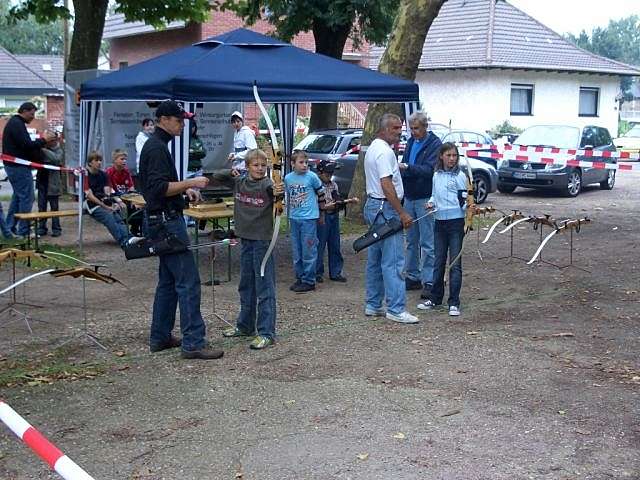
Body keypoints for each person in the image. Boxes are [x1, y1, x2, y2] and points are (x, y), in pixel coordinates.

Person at [139, 100, 223, 360]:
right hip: (166, 222)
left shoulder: (158, 146)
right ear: (163, 119)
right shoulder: (156, 148)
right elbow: (157, 189)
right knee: (188, 282)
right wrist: (191, 181)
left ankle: (160, 336)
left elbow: (162, 187)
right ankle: (194, 342)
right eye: (178, 120)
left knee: (168, 282)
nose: (182, 124)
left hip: (162, 217)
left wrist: (184, 191)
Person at [211, 149, 284, 350]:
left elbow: (277, 194)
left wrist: (279, 191)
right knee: (246, 285)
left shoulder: (267, 184)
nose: (260, 169)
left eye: (263, 165)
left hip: (262, 242)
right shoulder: (240, 182)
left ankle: (267, 332)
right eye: (255, 165)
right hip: (245, 239)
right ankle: (245, 325)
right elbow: (216, 176)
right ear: (247, 166)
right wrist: (232, 171)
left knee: (264, 287)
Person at [363, 113, 418, 324]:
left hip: (375, 206)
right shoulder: (385, 153)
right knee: (394, 260)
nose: (399, 132)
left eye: (400, 128)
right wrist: (402, 212)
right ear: (384, 129)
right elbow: (387, 185)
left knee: (375, 258)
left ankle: (374, 303)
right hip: (385, 208)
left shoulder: (374, 148)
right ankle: (396, 308)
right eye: (395, 128)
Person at [417, 143, 468, 317]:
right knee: (438, 261)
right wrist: (431, 203)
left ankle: (454, 302)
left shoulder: (460, 176)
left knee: (454, 264)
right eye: (448, 155)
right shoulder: (436, 175)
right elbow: (434, 195)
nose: (452, 159)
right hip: (439, 223)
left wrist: (469, 209)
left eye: (454, 155)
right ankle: (435, 297)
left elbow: (465, 199)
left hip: (455, 223)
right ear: (441, 156)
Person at [399, 111, 442, 299]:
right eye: (411, 129)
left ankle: (430, 280)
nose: (413, 132)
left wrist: (408, 169)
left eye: (416, 128)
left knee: (428, 242)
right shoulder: (410, 142)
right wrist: (407, 170)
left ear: (425, 126)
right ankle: (413, 275)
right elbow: (406, 163)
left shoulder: (435, 144)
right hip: (410, 195)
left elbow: (428, 170)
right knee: (411, 240)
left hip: (425, 197)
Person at [2, 102, 55, 237]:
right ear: (24, 111)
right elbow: (27, 145)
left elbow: (23, 145)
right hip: (18, 167)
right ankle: (23, 231)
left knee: (18, 198)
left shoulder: (15, 123)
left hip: (14, 165)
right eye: (32, 114)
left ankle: (10, 227)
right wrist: (44, 140)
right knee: (27, 197)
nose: (33, 117)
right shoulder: (17, 124)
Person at [284, 150, 325, 293]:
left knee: (308, 249)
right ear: (292, 164)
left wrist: (321, 212)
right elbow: (287, 196)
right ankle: (300, 277)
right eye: (301, 162)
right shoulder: (288, 178)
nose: (304, 165)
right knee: (297, 250)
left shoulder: (312, 177)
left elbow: (321, 193)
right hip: (295, 217)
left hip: (308, 218)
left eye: (306, 162)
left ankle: (309, 279)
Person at [83, 150, 137, 248]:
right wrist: (105, 206)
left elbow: (108, 191)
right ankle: (123, 241)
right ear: (90, 162)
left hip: (104, 201)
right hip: (91, 204)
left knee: (118, 218)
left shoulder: (103, 174)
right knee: (109, 217)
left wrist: (113, 202)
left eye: (100, 160)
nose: (99, 162)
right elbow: (89, 196)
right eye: (96, 160)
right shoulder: (85, 175)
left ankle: (130, 238)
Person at [315, 160, 350, 284]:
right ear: (320, 172)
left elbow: (337, 197)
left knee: (335, 244)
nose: (329, 175)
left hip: (333, 216)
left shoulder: (333, 185)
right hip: (322, 215)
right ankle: (317, 272)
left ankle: (336, 272)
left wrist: (341, 202)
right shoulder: (316, 185)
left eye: (331, 172)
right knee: (319, 245)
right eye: (327, 172)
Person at [106, 148, 141, 236]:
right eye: (122, 159)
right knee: (121, 207)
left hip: (126, 197)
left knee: (139, 207)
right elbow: (110, 191)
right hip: (114, 197)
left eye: (125, 159)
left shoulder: (126, 172)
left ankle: (135, 230)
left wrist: (134, 199)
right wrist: (120, 201)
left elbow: (131, 188)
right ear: (114, 160)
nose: (124, 161)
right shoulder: (109, 172)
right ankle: (124, 233)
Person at [36, 134, 64, 237]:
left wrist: (44, 150)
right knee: (41, 207)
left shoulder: (58, 150)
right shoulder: (41, 149)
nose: (48, 141)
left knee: (54, 208)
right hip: (42, 182)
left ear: (54, 140)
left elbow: (56, 159)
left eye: (50, 139)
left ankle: (56, 228)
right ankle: (42, 227)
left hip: (53, 184)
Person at [134, 118, 154, 186]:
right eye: (148, 125)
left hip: (150, 169)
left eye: (152, 125)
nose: (151, 127)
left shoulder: (151, 138)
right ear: (144, 127)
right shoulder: (140, 137)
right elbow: (141, 152)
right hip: (143, 169)